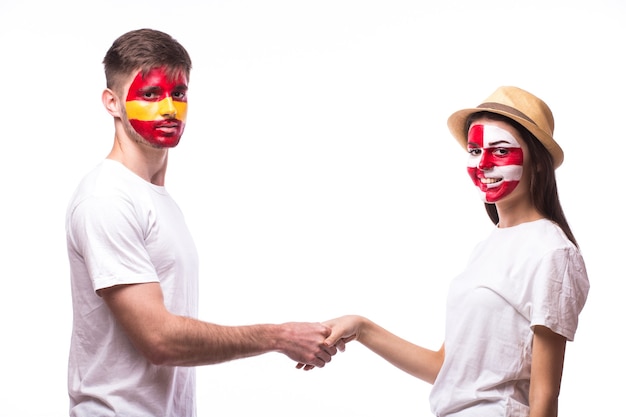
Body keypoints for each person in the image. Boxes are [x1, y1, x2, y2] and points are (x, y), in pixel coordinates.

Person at [65, 28, 339, 417]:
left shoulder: (155, 199)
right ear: (111, 102)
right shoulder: (106, 198)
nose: (169, 109)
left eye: (178, 94)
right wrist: (279, 337)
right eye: (149, 94)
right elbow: (159, 339)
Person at [319, 86, 590, 416]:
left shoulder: (552, 252)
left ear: (537, 164)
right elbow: (446, 369)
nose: (483, 164)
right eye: (475, 151)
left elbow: (544, 397)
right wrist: (362, 328)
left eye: (500, 151)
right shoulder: (486, 249)